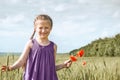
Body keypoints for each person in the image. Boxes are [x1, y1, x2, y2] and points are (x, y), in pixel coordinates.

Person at [1, 14, 72, 80]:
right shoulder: (31, 43)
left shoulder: (53, 46)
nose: (43, 30)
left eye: (46, 28)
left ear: (51, 28)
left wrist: (64, 65)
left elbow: (51, 68)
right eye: (40, 28)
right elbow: (21, 61)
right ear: (35, 28)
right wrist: (11, 67)